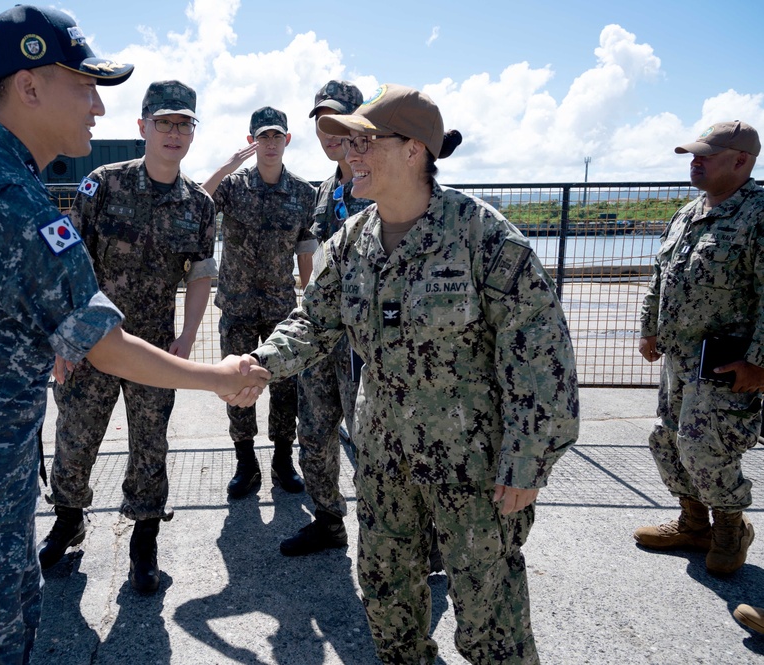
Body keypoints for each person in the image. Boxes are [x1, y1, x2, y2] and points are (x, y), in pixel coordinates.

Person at [0, 7, 268, 664]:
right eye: (83, 86)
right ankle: (71, 519)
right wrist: (218, 377)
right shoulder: (14, 200)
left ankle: (133, 535)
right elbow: (102, 343)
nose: (97, 107)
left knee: (8, 625)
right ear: (29, 87)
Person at [246, 83, 579, 663]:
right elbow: (314, 322)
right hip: (382, 463)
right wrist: (256, 365)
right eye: (347, 141)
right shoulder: (351, 241)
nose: (350, 152)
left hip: (472, 469)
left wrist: (528, 463)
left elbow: (542, 360)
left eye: (365, 141)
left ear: (413, 151)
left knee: (489, 621)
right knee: (387, 601)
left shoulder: (483, 237)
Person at [38, 80, 217, 594]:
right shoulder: (102, 184)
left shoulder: (199, 206)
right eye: (164, 123)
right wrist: (66, 341)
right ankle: (69, 521)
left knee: (149, 447)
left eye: (184, 124)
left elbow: (201, 272)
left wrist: (186, 335)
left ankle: (144, 540)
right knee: (75, 437)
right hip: (93, 343)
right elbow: (68, 263)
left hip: (153, 348)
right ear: (142, 128)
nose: (174, 133)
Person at [634, 120, 763, 576]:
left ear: (741, 161)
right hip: (679, 357)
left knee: (705, 448)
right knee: (665, 440)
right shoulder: (687, 214)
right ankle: (694, 523)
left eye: (707, 154)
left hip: (728, 362)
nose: (696, 161)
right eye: (694, 154)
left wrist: (758, 364)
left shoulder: (759, 213)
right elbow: (660, 275)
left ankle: (731, 527)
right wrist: (648, 328)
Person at [202, 106, 318, 499]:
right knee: (236, 384)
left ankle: (283, 459)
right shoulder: (234, 187)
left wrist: (311, 296)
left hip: (280, 307)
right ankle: (245, 461)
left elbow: (305, 248)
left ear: (287, 140)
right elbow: (199, 203)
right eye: (262, 137)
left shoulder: (304, 193)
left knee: (285, 385)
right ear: (252, 141)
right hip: (236, 304)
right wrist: (228, 164)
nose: (270, 143)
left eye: (276, 136)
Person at [279, 80, 368, 556]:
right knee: (313, 432)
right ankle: (328, 521)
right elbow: (315, 257)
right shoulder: (326, 189)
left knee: (375, 440)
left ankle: (419, 539)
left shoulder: (379, 179)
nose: (328, 130)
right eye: (320, 120)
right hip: (323, 336)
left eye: (338, 119)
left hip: (366, 342)